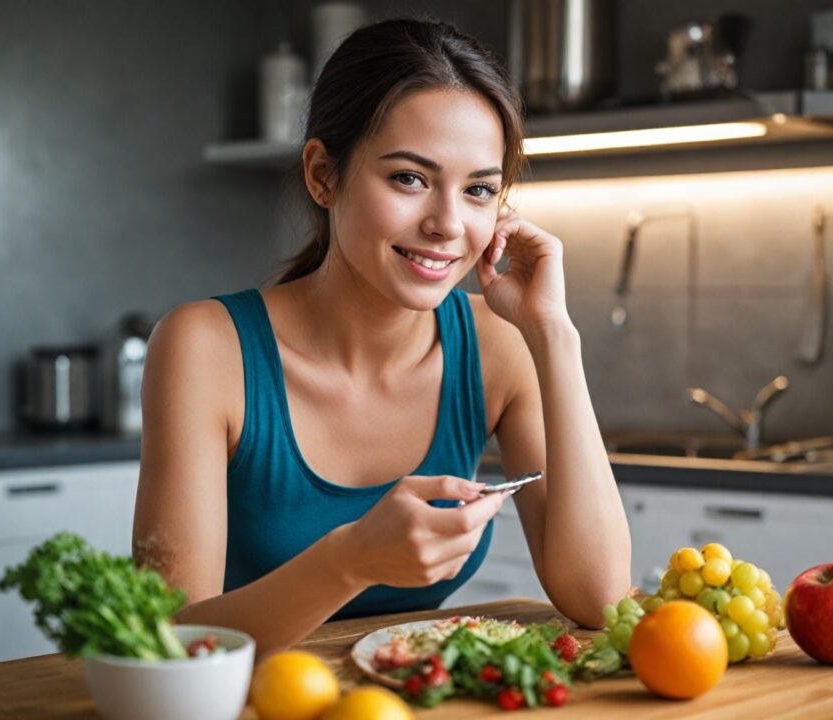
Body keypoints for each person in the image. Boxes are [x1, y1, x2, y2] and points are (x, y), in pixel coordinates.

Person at [133, 18, 630, 657]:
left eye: (479, 189)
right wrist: (352, 559)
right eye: (409, 178)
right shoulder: (205, 347)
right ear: (323, 175)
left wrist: (554, 336)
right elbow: (162, 645)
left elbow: (601, 598)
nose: (448, 224)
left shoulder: (499, 346)